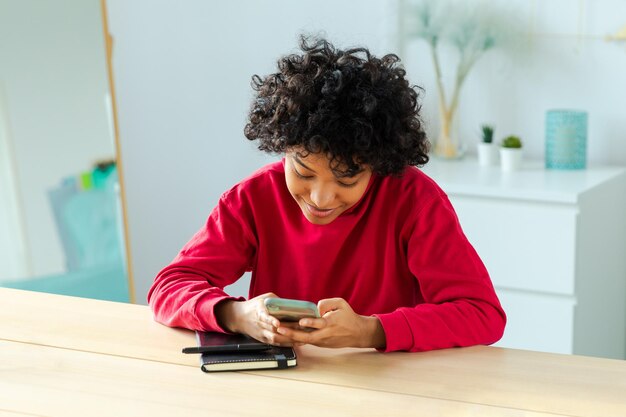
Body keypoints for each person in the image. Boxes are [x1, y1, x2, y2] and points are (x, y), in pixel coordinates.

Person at [148, 36, 506, 352]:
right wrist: (237, 314)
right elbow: (169, 287)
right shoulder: (254, 197)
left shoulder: (415, 201)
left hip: (391, 388)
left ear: (377, 164)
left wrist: (371, 331)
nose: (320, 198)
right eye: (303, 173)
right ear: (283, 147)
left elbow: (483, 313)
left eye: (346, 181)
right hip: (285, 385)